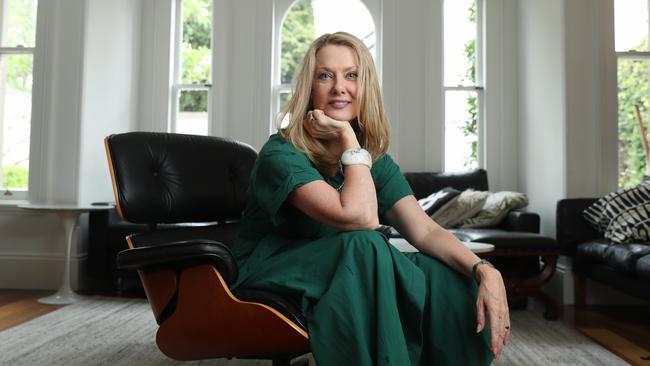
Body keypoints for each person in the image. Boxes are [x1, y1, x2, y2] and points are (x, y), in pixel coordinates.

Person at [231, 31, 509, 365]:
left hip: (345, 269)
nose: (339, 87)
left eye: (352, 75)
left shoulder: (374, 161)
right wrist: (348, 140)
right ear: (309, 88)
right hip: (271, 271)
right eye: (325, 76)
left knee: (442, 274)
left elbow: (426, 231)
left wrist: (484, 270)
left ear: (366, 87)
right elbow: (359, 218)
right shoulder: (282, 153)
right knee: (366, 245)